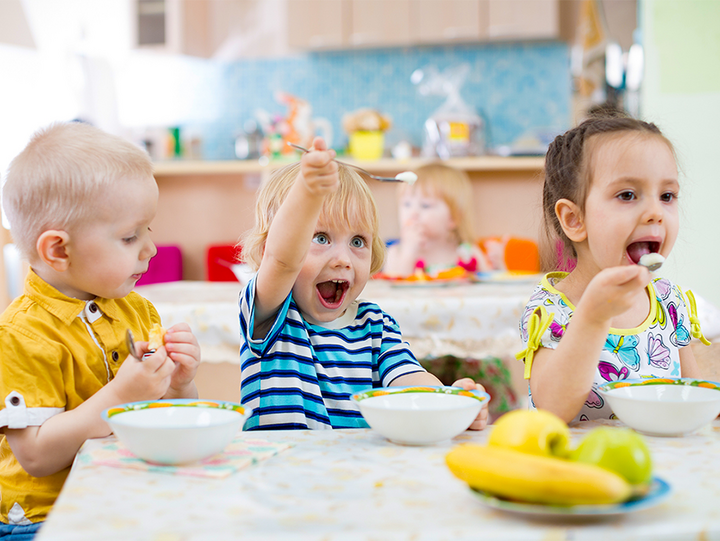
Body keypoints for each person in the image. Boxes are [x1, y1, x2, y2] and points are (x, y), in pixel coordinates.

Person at [0, 122, 201, 536]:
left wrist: (179, 385)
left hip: (120, 493)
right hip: (43, 518)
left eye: (148, 229)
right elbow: (35, 456)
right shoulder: (22, 335)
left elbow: (165, 417)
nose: (151, 248)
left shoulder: (137, 311)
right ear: (58, 250)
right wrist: (122, 395)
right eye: (129, 237)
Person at [238, 138, 488, 431]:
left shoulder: (376, 325)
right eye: (320, 238)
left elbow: (408, 379)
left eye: (358, 241)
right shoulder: (269, 313)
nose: (343, 259)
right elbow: (282, 261)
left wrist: (450, 402)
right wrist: (308, 192)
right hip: (276, 473)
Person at [517, 115, 709, 423]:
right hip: (576, 466)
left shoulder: (669, 302)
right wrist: (593, 315)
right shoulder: (551, 310)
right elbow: (552, 409)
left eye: (667, 196)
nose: (655, 213)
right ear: (574, 220)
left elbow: (692, 395)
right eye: (627, 195)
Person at [383, 163, 496, 277]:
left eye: (425, 205)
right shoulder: (396, 253)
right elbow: (394, 286)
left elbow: (491, 286)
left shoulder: (468, 253)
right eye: (406, 204)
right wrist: (409, 252)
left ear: (453, 217)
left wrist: (499, 265)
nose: (413, 213)